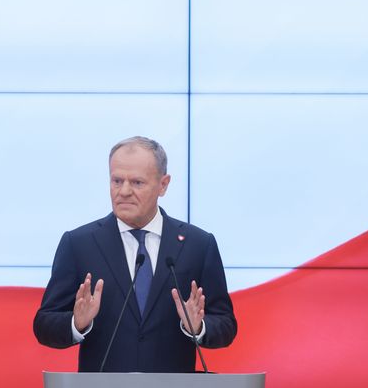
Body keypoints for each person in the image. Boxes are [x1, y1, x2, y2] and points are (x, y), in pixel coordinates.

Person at [34, 136, 236, 372]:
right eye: (117, 181)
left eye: (137, 182)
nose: (124, 191)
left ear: (163, 185)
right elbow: (45, 325)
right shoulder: (79, 244)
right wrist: (77, 323)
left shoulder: (198, 244)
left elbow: (225, 325)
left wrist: (198, 327)